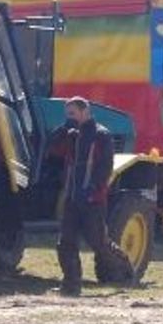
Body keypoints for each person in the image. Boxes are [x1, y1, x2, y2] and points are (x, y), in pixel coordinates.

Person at [48, 96, 130, 296]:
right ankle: (71, 285)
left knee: (98, 242)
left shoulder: (101, 135)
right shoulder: (71, 135)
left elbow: (105, 168)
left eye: (73, 113)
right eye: (68, 114)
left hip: (93, 199)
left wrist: (94, 191)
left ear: (85, 112)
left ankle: (125, 271)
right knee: (65, 242)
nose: (70, 117)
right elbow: (53, 150)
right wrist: (61, 130)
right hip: (72, 198)